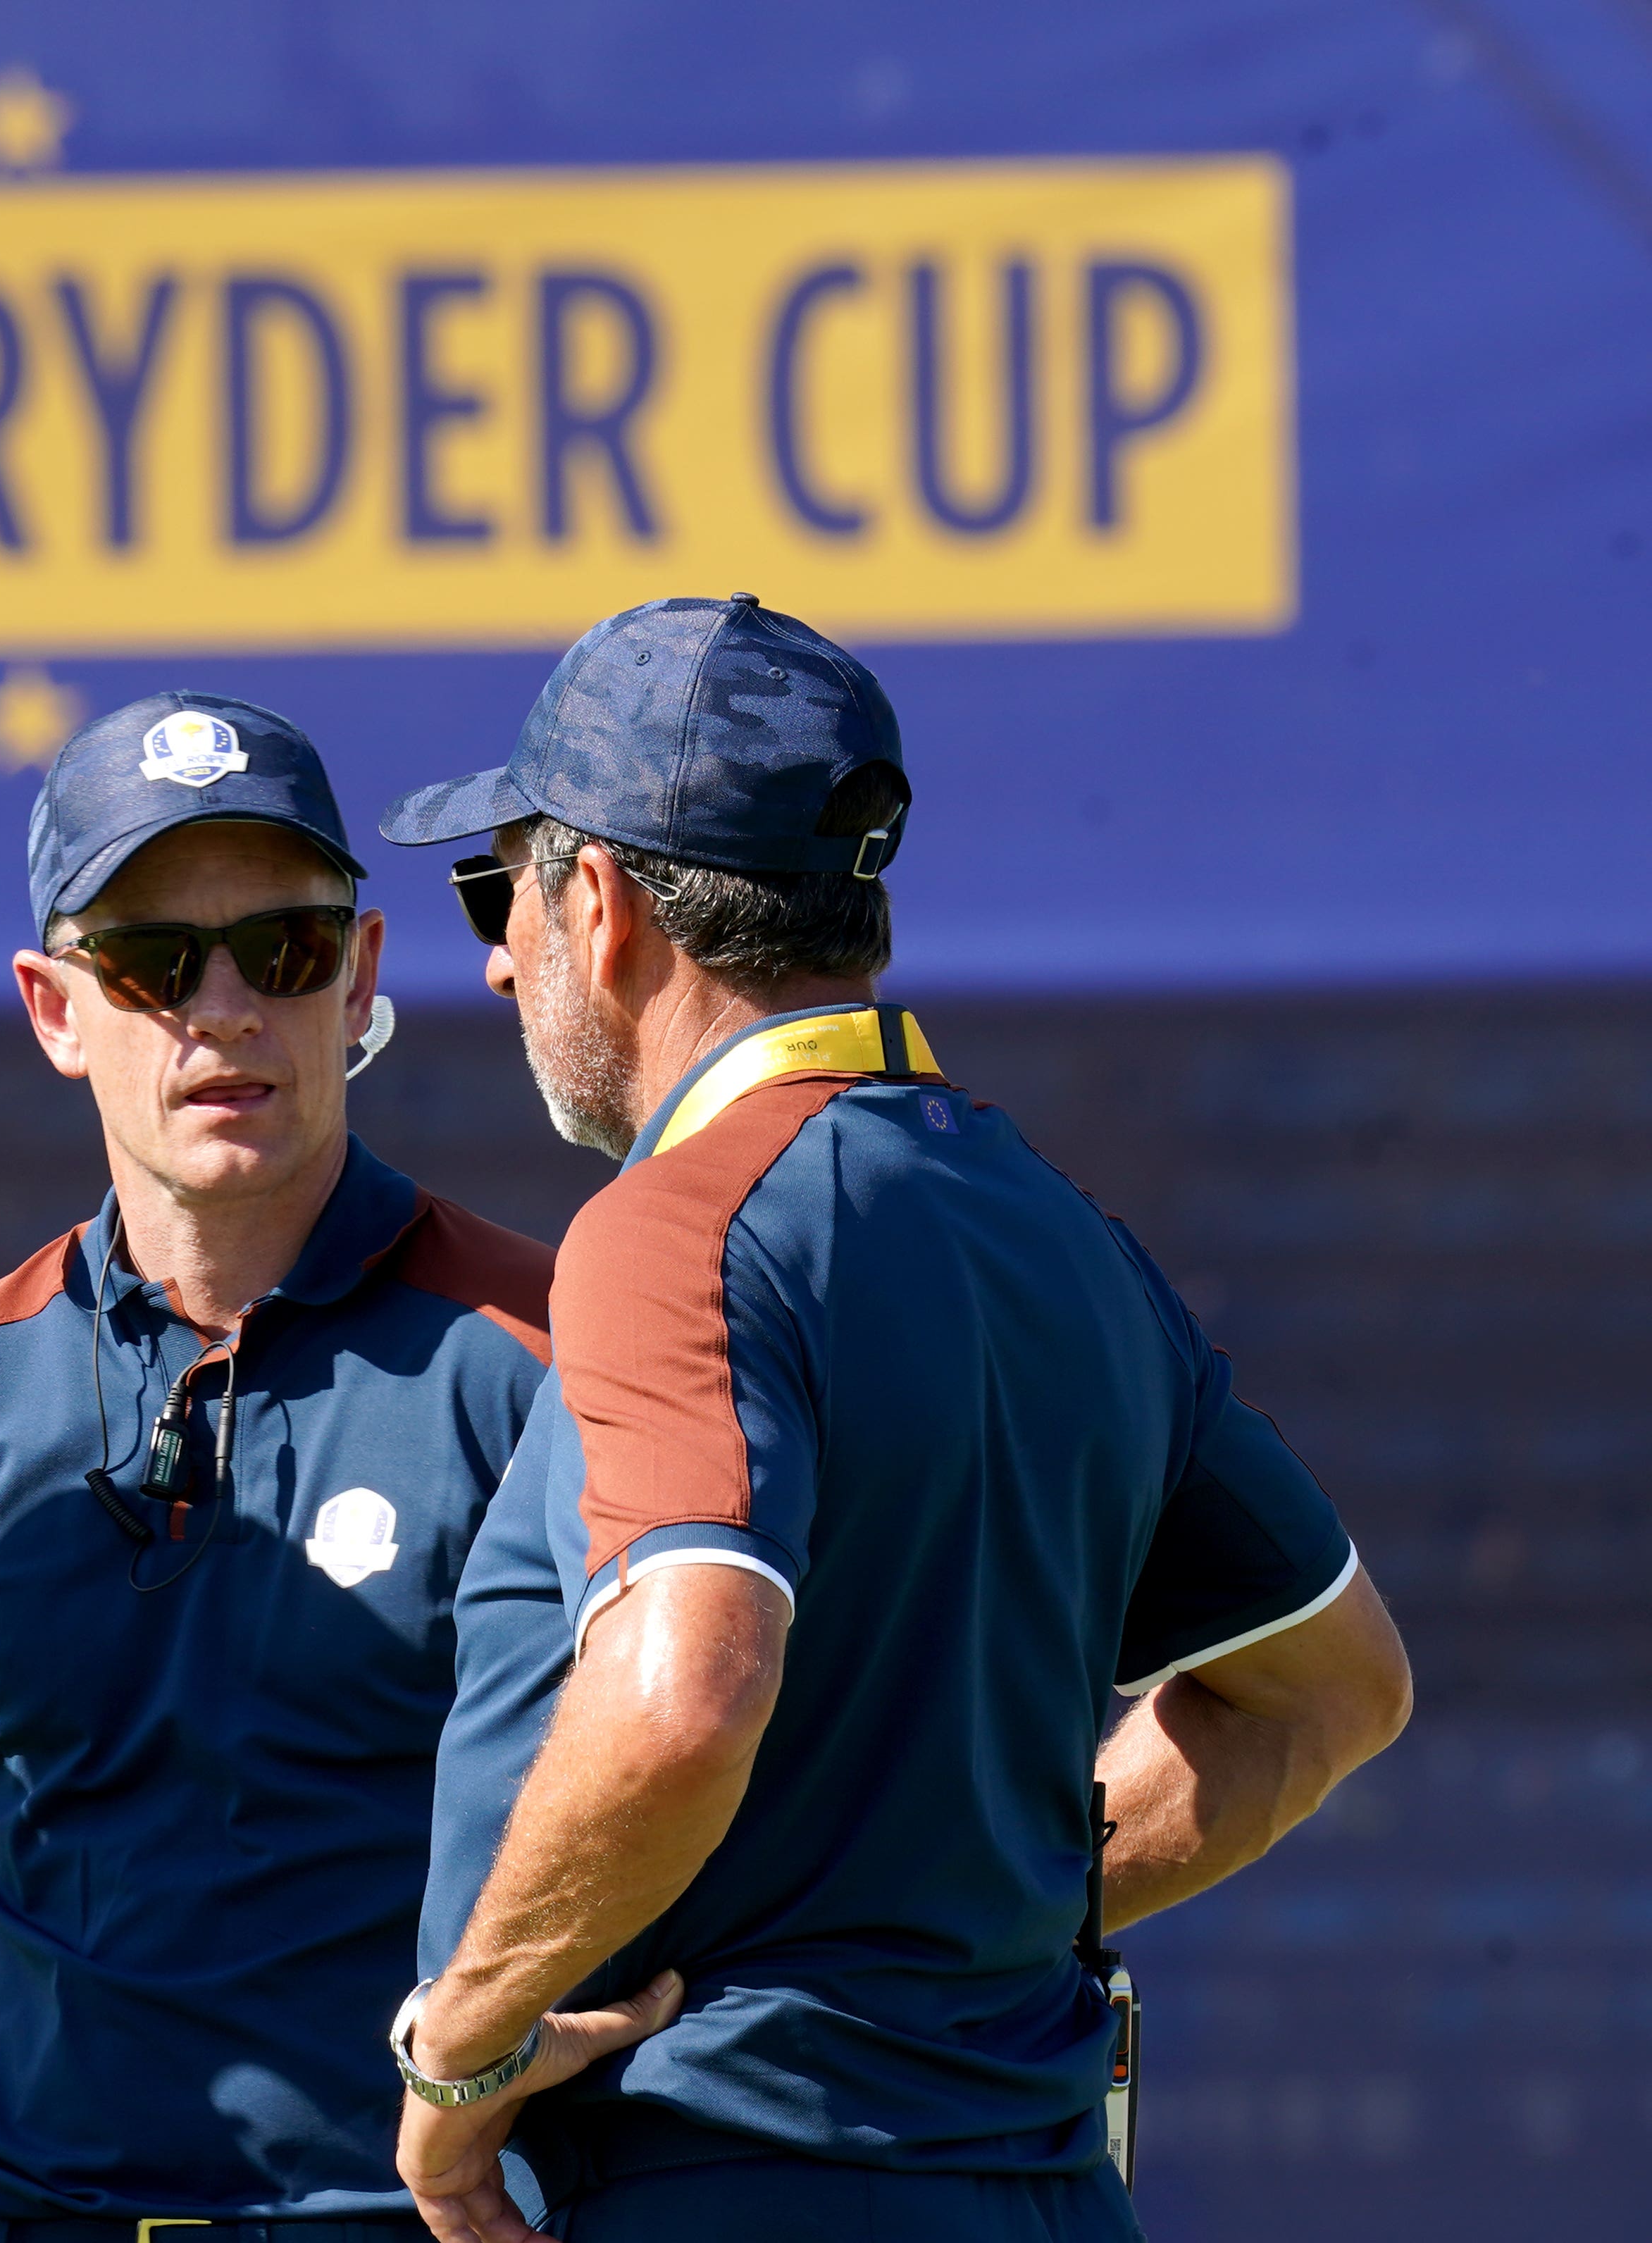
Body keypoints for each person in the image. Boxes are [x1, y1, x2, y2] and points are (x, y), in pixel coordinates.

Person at [368, 595, 1416, 2242]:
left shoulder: (677, 1225)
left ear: (601, 897)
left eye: (499, 889)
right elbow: (1333, 1690)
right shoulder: (1064, 1235)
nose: (496, 956)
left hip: (746, 2188)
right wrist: (960, 1906)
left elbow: (683, 1698)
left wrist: (461, 2055)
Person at [0, 692, 673, 2241]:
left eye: (282, 948)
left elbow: (688, 1792)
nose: (222, 1009)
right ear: (56, 1007)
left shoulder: (558, 1352)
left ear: (359, 978)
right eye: (149, 961)